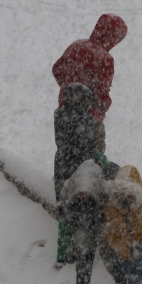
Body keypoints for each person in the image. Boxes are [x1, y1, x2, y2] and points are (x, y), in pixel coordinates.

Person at [58, 160, 131, 284]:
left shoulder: (105, 184)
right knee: (82, 276)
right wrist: (73, 241)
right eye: (81, 196)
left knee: (110, 262)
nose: (84, 198)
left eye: (87, 197)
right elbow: (63, 213)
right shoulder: (70, 190)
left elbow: (118, 201)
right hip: (84, 229)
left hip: (102, 224)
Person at [53, 83, 118, 268]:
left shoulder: (58, 115)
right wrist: (103, 161)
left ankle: (63, 253)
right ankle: (85, 246)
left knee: (64, 209)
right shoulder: (86, 121)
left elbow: (64, 142)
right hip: (80, 171)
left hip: (61, 165)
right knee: (86, 207)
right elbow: (88, 148)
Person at [52, 14, 128, 153]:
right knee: (94, 157)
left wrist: (69, 91)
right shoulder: (105, 59)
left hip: (64, 111)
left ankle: (63, 174)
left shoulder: (76, 46)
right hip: (89, 118)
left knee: (66, 153)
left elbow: (56, 69)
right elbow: (101, 91)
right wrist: (103, 105)